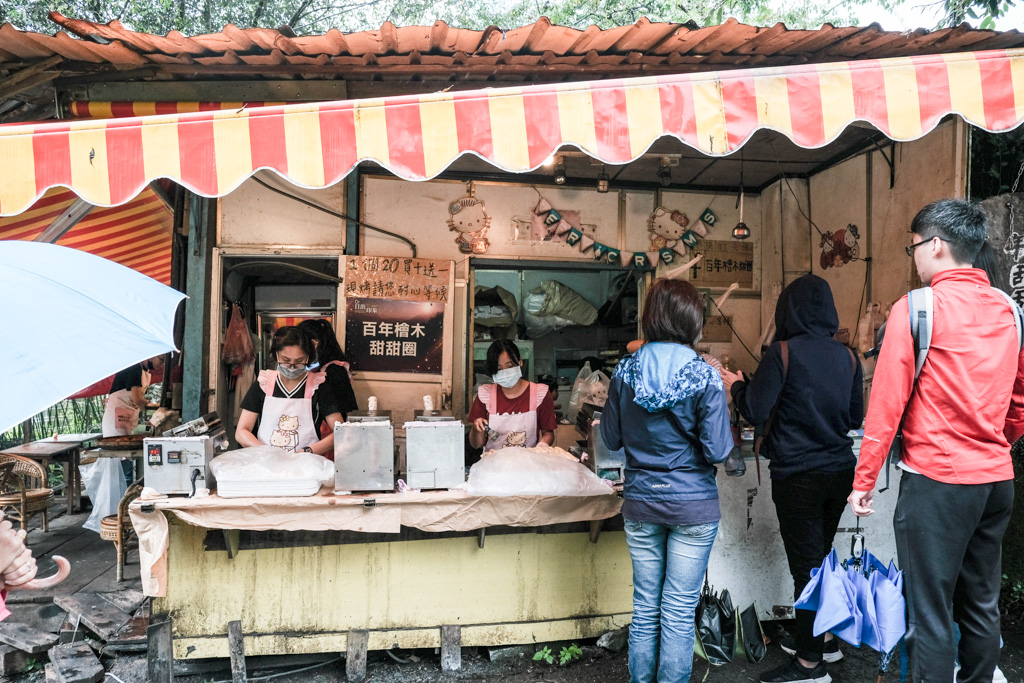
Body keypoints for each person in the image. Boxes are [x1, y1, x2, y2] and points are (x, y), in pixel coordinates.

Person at [848, 199, 1024, 683]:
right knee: (982, 605)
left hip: (938, 483)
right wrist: (994, 443)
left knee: (927, 613)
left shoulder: (917, 307)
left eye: (914, 247)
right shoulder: (1010, 311)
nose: (915, 257)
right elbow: (1020, 400)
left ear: (937, 245)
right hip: (995, 481)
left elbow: (885, 406)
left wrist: (864, 480)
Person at [723, 274, 863, 683]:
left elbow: (753, 408)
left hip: (798, 476)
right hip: (839, 473)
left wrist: (735, 387)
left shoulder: (782, 353)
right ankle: (825, 642)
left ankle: (809, 665)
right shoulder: (849, 357)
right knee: (820, 561)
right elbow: (854, 418)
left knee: (808, 569)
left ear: (788, 310)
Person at [599, 278, 732, 683]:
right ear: (693, 320)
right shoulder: (704, 376)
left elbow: (610, 438)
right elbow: (718, 451)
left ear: (651, 316)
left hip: (641, 503)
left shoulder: (625, 370)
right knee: (677, 609)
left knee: (646, 607)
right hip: (693, 507)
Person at [236, 326, 343, 456]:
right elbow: (242, 431)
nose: (292, 367)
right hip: (266, 461)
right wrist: (267, 452)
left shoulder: (319, 386)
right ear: (276, 355)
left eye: (299, 361)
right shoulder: (264, 384)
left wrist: (308, 451)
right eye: (286, 361)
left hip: (306, 463)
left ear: (309, 358)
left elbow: (340, 431)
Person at [468, 340, 556, 451]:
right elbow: (475, 444)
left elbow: (548, 432)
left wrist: (543, 445)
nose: (505, 372)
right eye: (499, 369)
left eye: (510, 366)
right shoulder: (485, 395)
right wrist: (476, 429)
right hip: (493, 465)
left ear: (520, 362)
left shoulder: (540, 394)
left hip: (527, 463)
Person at [104, 355, 165, 484]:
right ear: (150, 356)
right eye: (161, 360)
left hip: (128, 416)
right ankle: (122, 498)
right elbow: (138, 399)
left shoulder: (145, 372)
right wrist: (157, 409)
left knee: (127, 459)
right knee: (120, 458)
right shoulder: (134, 368)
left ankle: (126, 493)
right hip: (115, 419)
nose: (162, 364)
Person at [297, 318, 359, 425]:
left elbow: (346, 410)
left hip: (329, 433)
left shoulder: (334, 370)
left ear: (315, 344)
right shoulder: (310, 369)